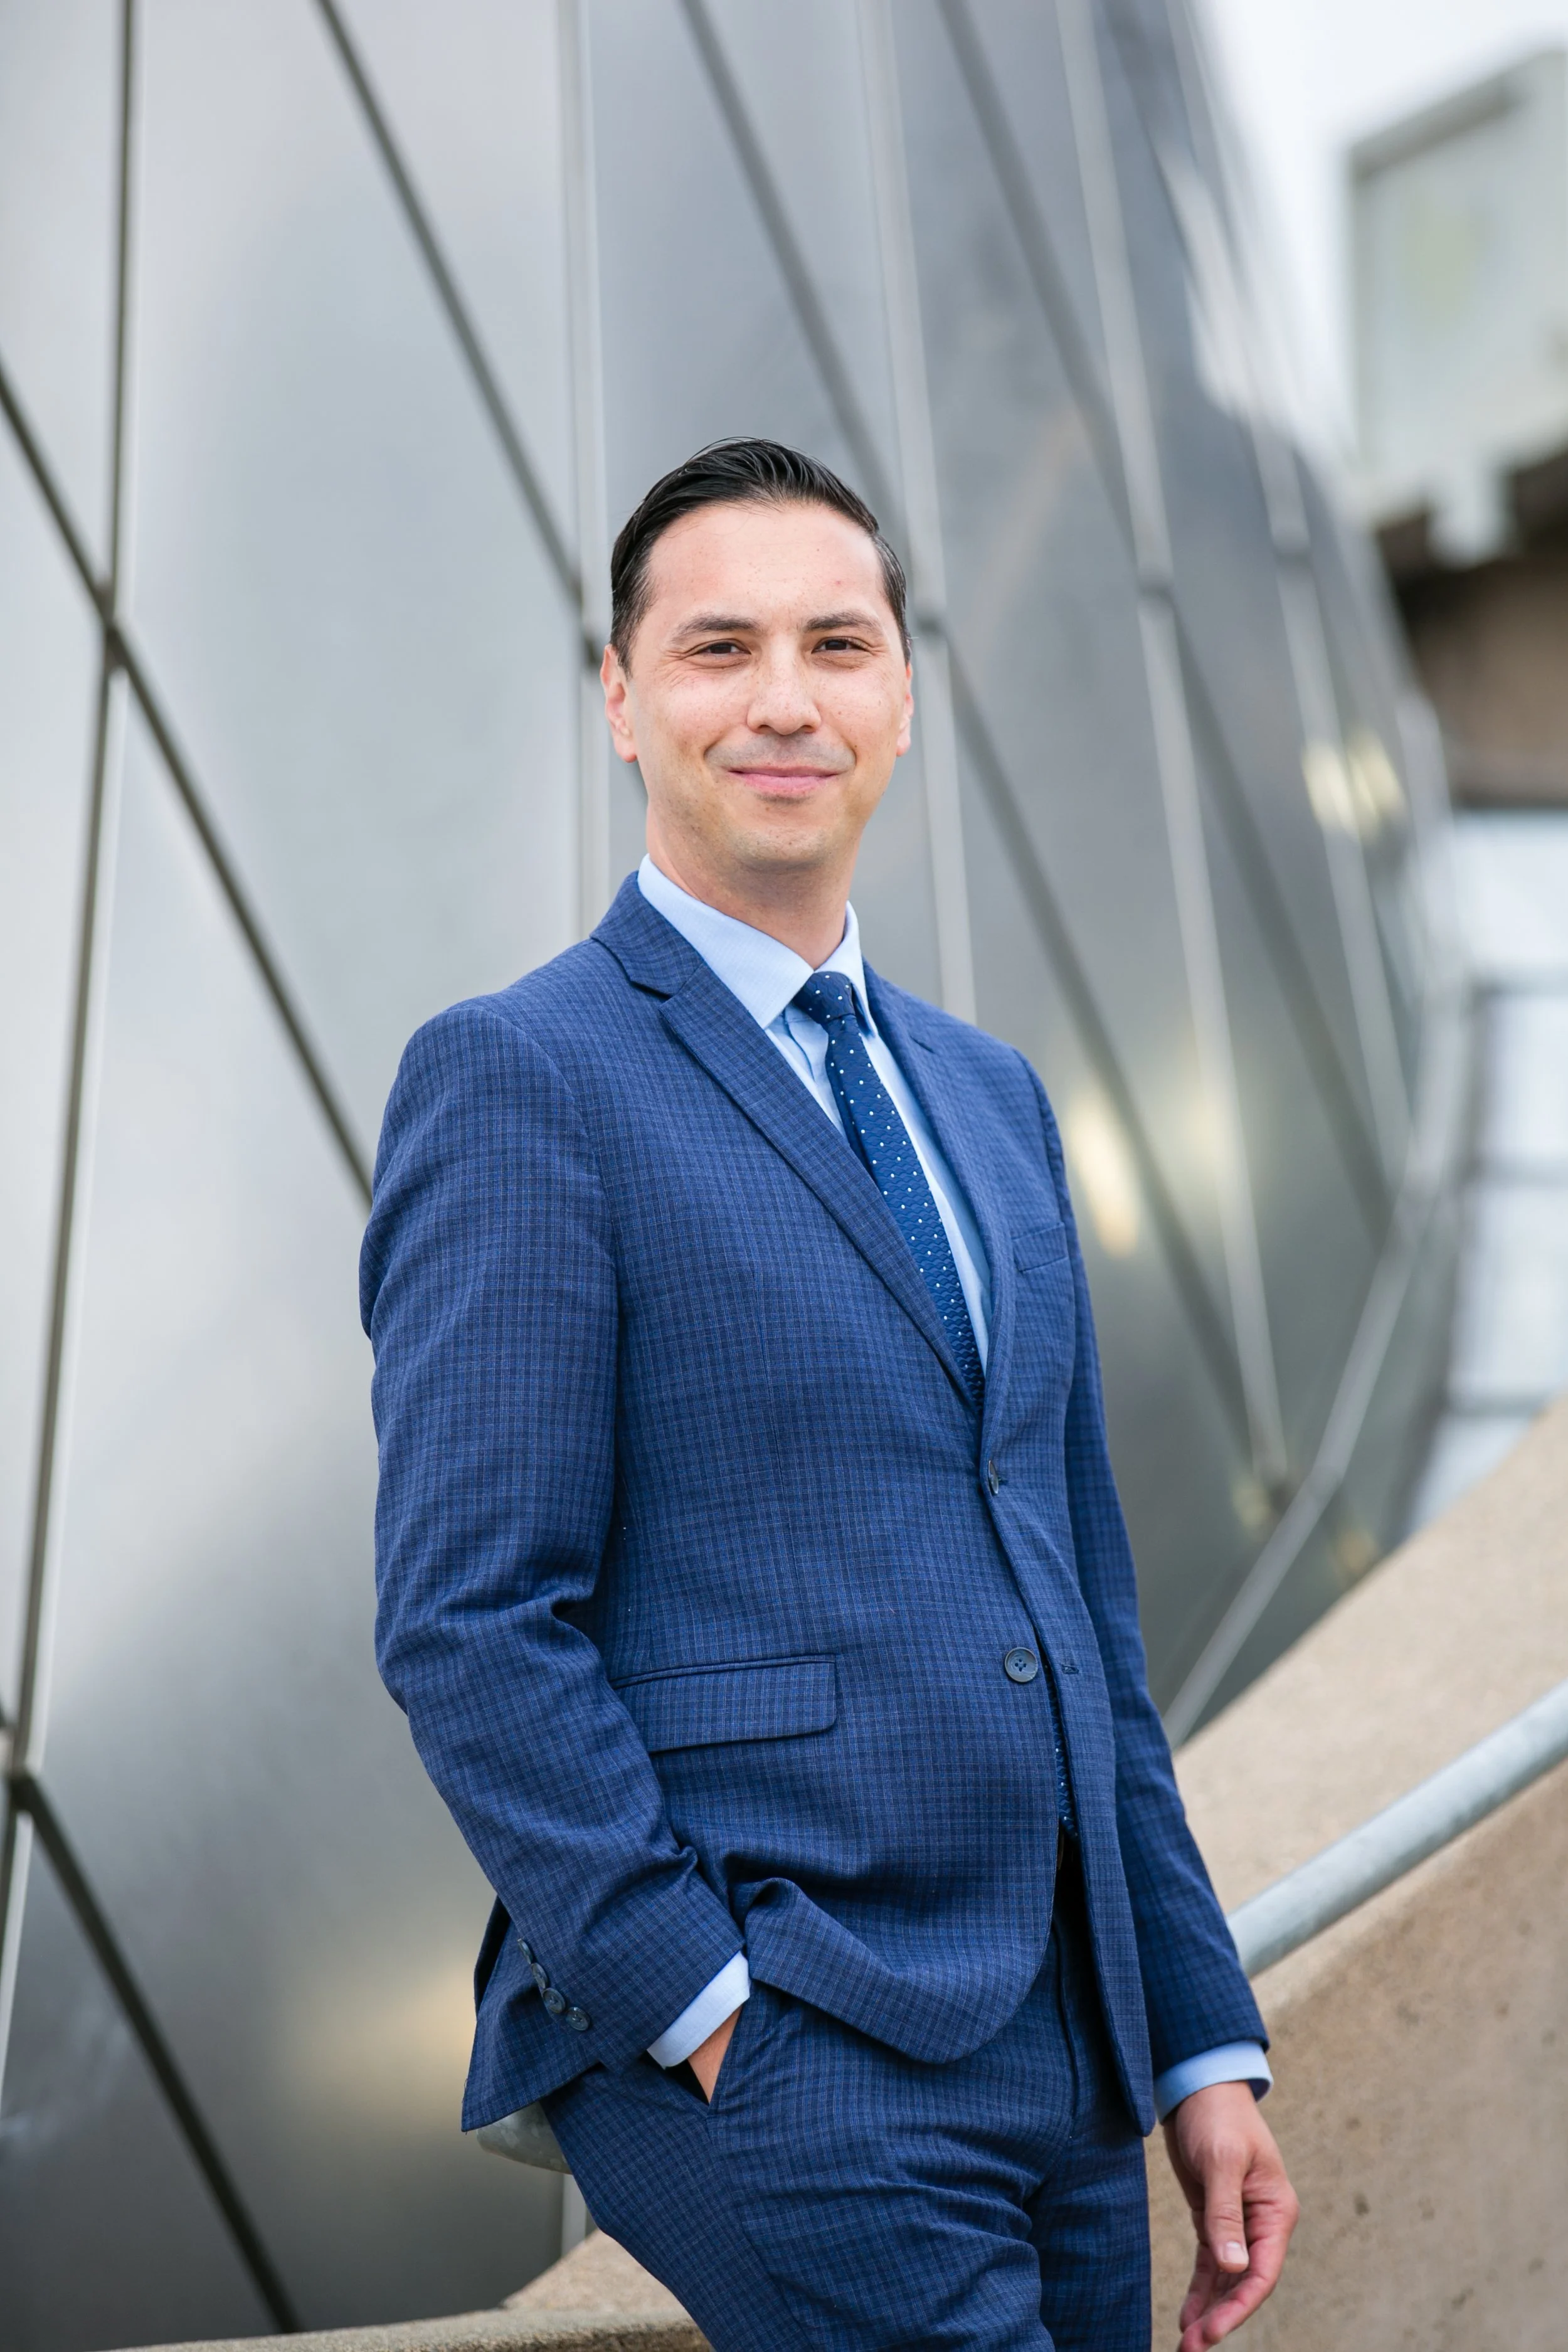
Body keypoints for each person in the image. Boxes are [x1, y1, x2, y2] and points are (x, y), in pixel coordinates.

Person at [361, 439, 1298, 2351]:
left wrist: (1200, 2037)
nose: (783, 697)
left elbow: (1082, 1619)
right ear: (621, 699)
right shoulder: (518, 1080)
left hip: (1067, 2046)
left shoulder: (990, 1097)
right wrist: (702, 2008)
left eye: (835, 643)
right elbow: (468, 1618)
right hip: (792, 2039)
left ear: (898, 697)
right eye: (717, 647)